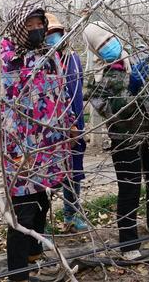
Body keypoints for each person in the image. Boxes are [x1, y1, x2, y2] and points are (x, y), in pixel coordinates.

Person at [0, 2, 74, 282]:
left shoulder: (50, 58)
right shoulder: (2, 65)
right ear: (17, 28)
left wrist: (69, 122)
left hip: (49, 149)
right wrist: (15, 147)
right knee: (21, 216)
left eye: (40, 25)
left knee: (42, 205)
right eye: (30, 25)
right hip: (20, 153)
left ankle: (34, 259)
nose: (37, 30)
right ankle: (18, 275)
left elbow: (61, 94)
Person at [83, 21, 149, 261]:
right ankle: (128, 242)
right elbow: (107, 109)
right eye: (102, 45)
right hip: (124, 139)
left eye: (110, 39)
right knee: (129, 189)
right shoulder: (97, 78)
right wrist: (128, 90)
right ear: (95, 50)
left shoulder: (140, 55)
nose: (109, 46)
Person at [43, 13, 88, 232]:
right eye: (49, 34)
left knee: (74, 172)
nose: (53, 38)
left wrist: (77, 124)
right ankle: (42, 225)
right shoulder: (41, 64)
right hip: (52, 129)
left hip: (75, 125)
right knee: (48, 176)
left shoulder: (73, 59)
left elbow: (77, 91)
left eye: (56, 33)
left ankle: (71, 215)